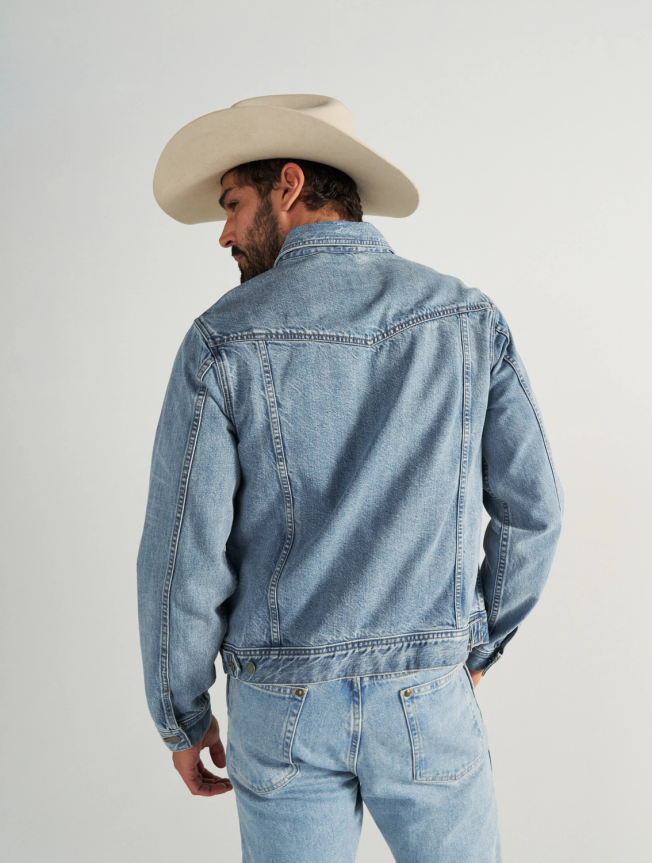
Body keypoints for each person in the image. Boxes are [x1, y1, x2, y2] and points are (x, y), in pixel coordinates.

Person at [137, 94, 564, 863]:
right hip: (428, 699)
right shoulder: (467, 318)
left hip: (282, 709)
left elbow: (182, 555)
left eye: (232, 205)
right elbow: (535, 512)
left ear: (290, 185)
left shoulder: (221, 340)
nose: (225, 234)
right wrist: (470, 647)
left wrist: (182, 713)